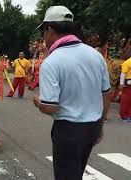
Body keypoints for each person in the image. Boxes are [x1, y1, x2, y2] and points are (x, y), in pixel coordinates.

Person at [33, 6, 111, 180]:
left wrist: (38, 102)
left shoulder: (51, 62)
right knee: (77, 173)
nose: (43, 38)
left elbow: (50, 107)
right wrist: (101, 124)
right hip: (92, 126)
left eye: (43, 32)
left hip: (68, 131)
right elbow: (106, 93)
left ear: (50, 29)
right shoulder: (96, 56)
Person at [119, 56, 131, 121]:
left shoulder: (127, 62)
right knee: (126, 100)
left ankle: (128, 115)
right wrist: (121, 83)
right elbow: (123, 73)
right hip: (127, 84)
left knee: (128, 101)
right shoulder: (127, 62)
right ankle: (124, 115)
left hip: (128, 83)